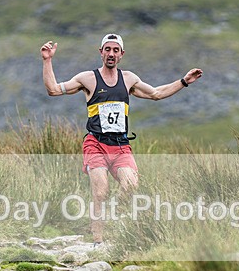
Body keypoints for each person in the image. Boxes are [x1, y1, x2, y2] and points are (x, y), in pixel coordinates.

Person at [40, 33, 203, 245]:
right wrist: (47, 60)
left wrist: (184, 82)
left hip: (120, 146)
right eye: (107, 49)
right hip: (95, 144)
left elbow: (156, 93)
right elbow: (53, 89)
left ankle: (109, 220)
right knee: (100, 192)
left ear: (121, 55)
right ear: (101, 52)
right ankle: (97, 240)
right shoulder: (87, 79)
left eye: (115, 50)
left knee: (131, 185)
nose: (111, 54)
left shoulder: (129, 79)